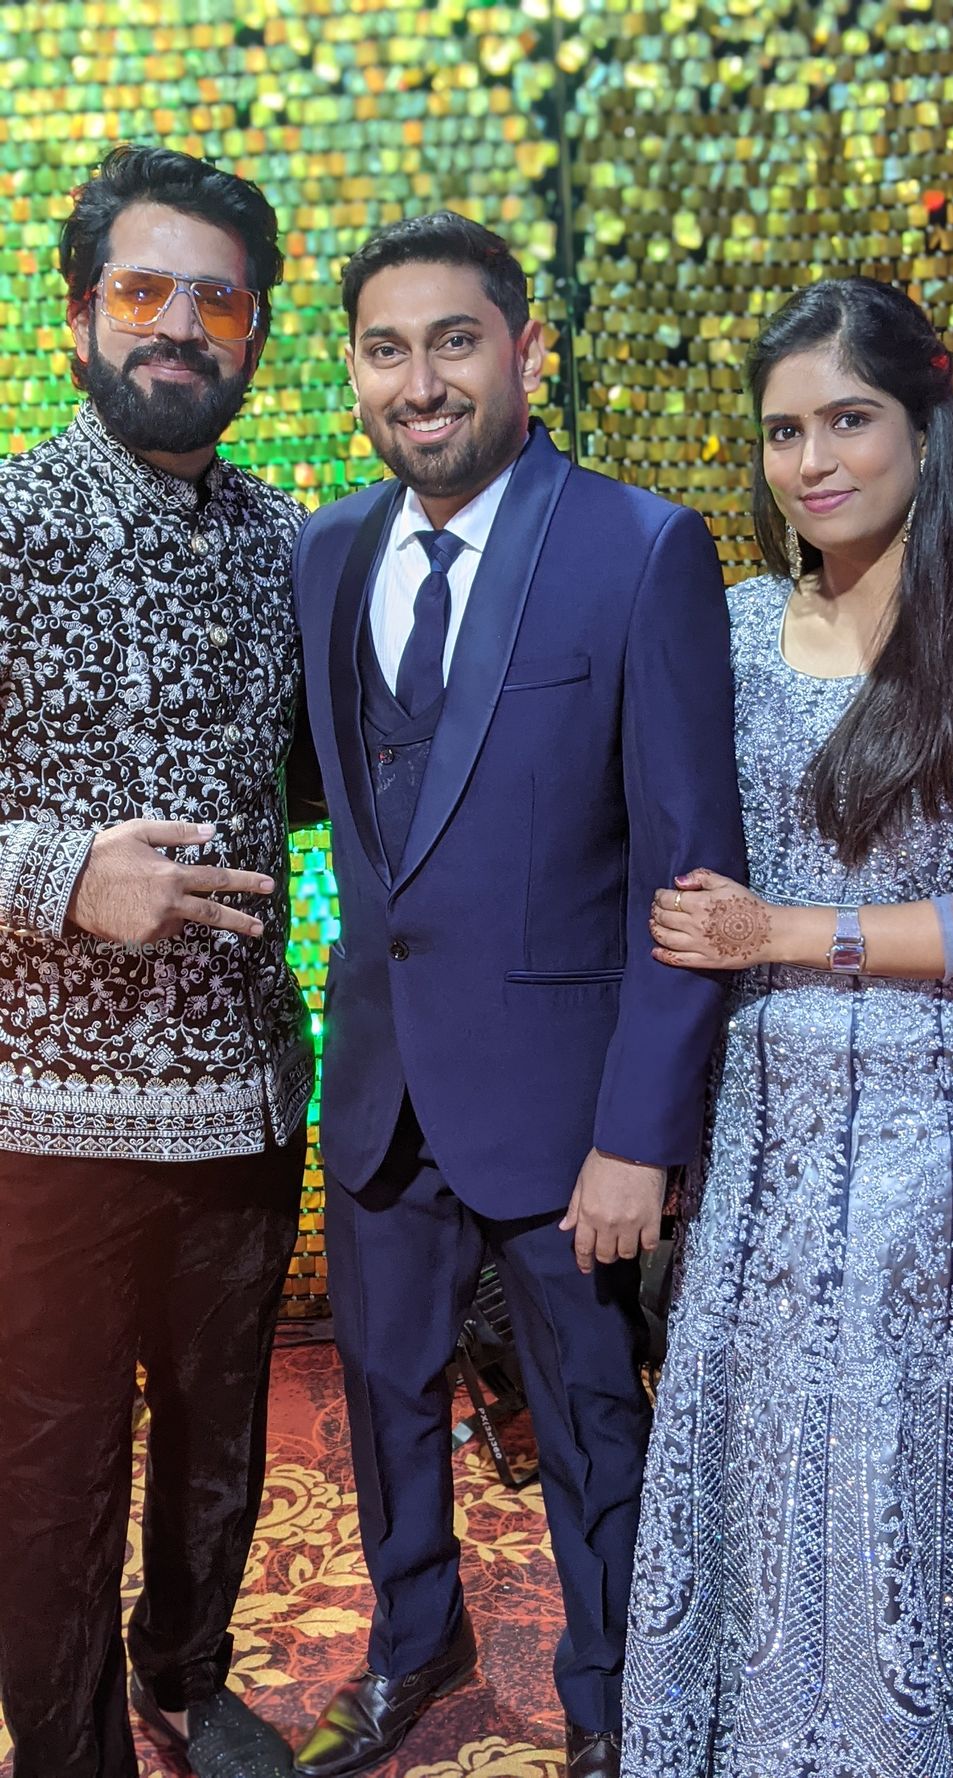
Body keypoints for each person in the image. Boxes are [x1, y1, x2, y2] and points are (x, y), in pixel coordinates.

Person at [290, 211, 745, 1778]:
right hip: (379, 1083)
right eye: (386, 349)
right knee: (384, 1396)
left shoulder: (640, 548)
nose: (420, 382)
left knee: (595, 1423)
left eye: (454, 341)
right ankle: (415, 1637)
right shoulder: (326, 551)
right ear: (355, 369)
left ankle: (613, 1691)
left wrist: (642, 1132)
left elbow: (689, 872)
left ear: (527, 351)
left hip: (569, 1115)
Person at [625, 277, 953, 1778]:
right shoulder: (725, 628)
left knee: (895, 1459)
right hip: (765, 1131)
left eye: (849, 420)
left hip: (937, 1139)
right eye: (785, 431)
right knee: (761, 1447)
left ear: (924, 425)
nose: (813, 461)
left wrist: (786, 932)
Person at [0, 145, 315, 1778]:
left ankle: (186, 1677)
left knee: (217, 1446)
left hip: (246, 1102)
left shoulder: (290, 544)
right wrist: (62, 876)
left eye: (218, 300)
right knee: (51, 1475)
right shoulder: (8, 520)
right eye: (142, 290)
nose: (179, 325)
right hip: (41, 1125)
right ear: (76, 317)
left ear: (253, 332)